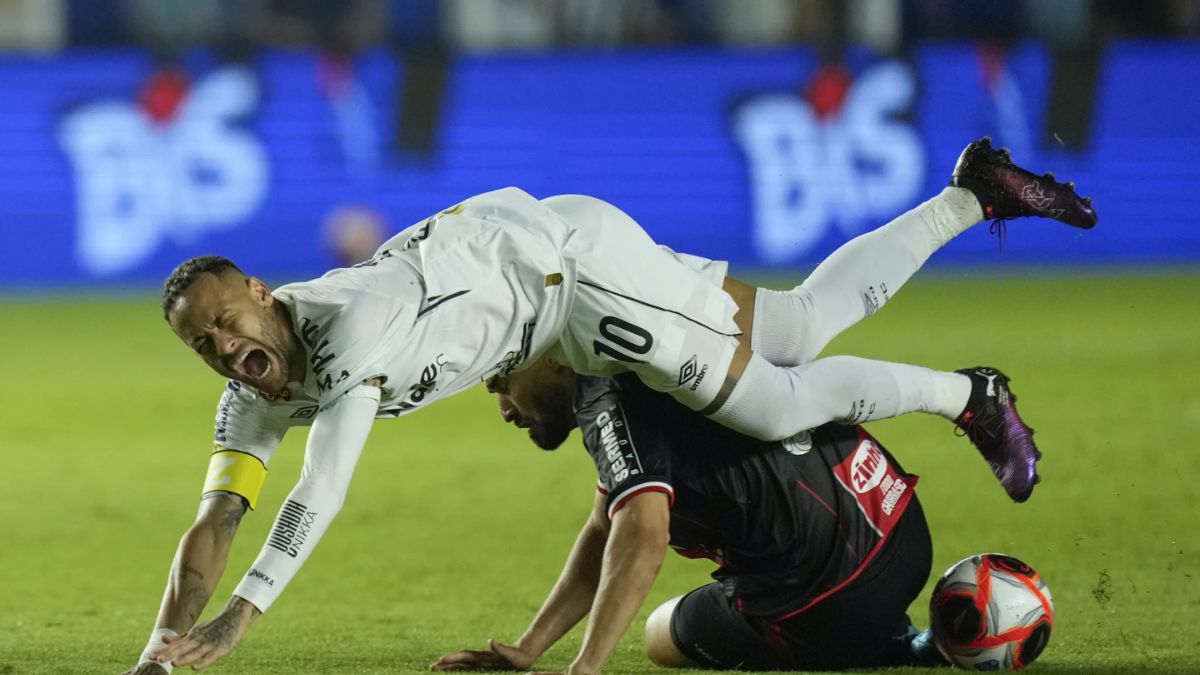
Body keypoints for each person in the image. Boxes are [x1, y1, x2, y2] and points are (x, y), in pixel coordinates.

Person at [130, 138, 1094, 672]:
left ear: (260, 290)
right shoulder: (250, 383)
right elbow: (216, 517)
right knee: (795, 322)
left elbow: (323, 482)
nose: (223, 348)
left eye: (224, 320)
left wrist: (238, 623)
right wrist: (155, 653)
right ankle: (973, 195)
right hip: (553, 261)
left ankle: (969, 394)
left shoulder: (347, 325)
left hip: (575, 283)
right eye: (202, 344)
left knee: (765, 403)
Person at [434, 359, 952, 673]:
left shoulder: (605, 397)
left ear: (555, 359)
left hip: (829, 601)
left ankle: (879, 640)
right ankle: (906, 630)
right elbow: (604, 526)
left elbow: (643, 535)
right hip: (900, 525)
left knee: (662, 632)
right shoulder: (653, 339)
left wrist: (584, 668)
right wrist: (529, 648)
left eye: (502, 383)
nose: (505, 408)